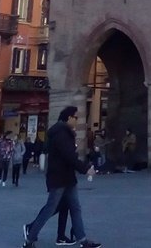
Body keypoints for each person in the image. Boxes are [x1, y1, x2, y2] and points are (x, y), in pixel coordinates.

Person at [21, 106, 101, 248]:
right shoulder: (61, 133)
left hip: (67, 177)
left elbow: (70, 155)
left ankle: (82, 240)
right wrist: (85, 169)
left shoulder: (64, 132)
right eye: (76, 118)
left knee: (75, 208)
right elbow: (69, 155)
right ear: (69, 117)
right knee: (50, 209)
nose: (77, 121)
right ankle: (29, 241)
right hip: (59, 178)